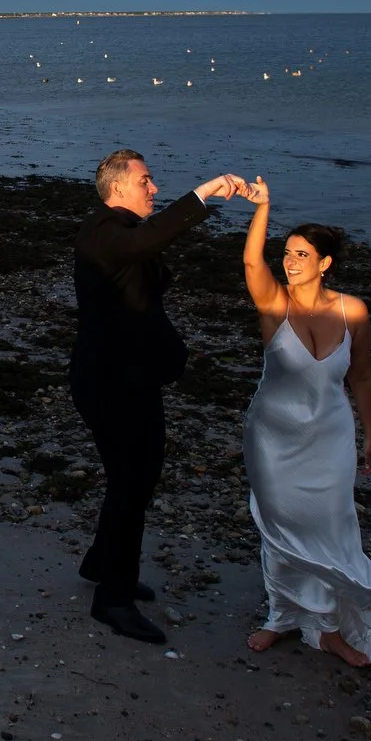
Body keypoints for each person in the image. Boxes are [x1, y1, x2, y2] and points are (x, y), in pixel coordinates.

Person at [237, 176, 371, 666]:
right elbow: (253, 261)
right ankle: (281, 617)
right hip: (273, 437)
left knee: (333, 527)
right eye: (288, 253)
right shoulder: (275, 306)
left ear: (324, 263)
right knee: (280, 528)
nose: (289, 262)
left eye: (300, 255)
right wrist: (264, 206)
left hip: (331, 436)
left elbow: (361, 377)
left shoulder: (353, 310)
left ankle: (329, 627)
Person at [72, 149, 249, 644]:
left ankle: (102, 564)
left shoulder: (117, 235)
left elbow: (144, 262)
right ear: (118, 187)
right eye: (146, 181)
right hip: (111, 383)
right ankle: (113, 599)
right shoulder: (106, 232)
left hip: (128, 380)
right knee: (132, 481)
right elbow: (148, 242)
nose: (153, 188)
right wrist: (207, 191)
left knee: (139, 475)